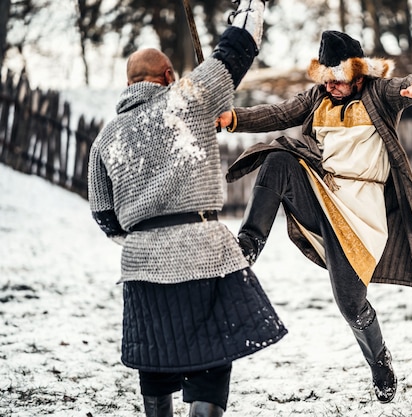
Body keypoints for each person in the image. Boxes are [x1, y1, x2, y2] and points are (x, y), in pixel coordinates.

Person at [217, 30, 412, 403]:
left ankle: (379, 360)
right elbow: (278, 113)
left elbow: (402, 86)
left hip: (361, 211)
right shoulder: (318, 98)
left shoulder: (377, 94)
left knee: (350, 304)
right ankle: (248, 245)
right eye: (325, 79)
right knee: (277, 158)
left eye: (337, 80)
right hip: (321, 190)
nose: (331, 87)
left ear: (358, 75)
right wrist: (232, 119)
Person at [87, 2, 286, 417]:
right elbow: (238, 48)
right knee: (210, 362)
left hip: (142, 267)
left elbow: (104, 214)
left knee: (156, 369)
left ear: (128, 84)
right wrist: (249, 8)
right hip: (204, 257)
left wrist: (147, 237)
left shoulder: (104, 140)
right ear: (168, 77)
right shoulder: (187, 99)